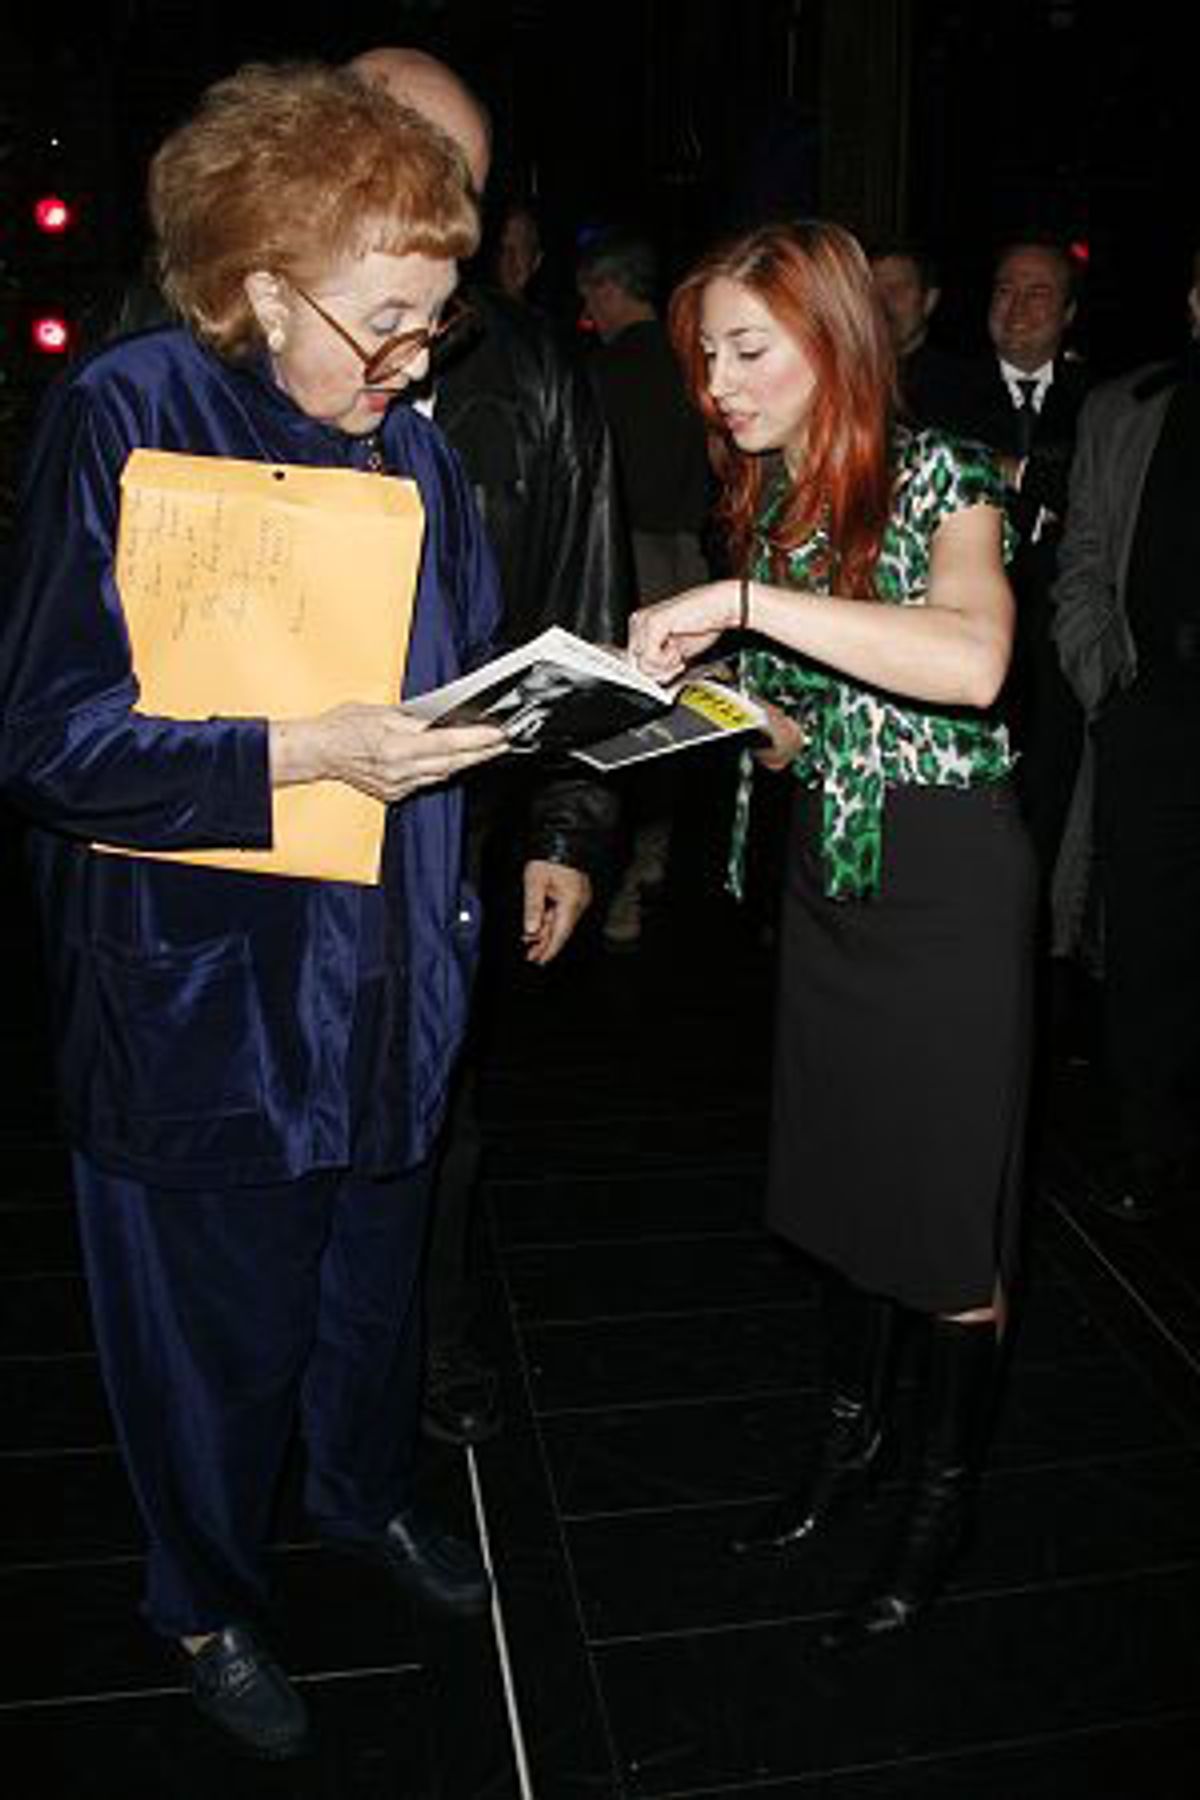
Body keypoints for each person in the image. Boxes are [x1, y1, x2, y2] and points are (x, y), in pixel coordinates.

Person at [0, 61, 531, 1761]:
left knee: (369, 1308)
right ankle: (206, 1594)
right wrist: (305, 749)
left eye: (435, 322)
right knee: (208, 1346)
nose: (416, 360)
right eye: (388, 320)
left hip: (390, 978)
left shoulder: (423, 461)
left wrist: (572, 712)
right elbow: (51, 739)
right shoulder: (130, 414)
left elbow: (455, 693)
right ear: (260, 285)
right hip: (204, 998)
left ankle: (362, 1495)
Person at [627, 219, 1036, 1647]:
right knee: (848, 1190)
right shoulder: (774, 499)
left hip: (945, 889)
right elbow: (821, 723)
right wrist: (728, 711)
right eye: (704, 357)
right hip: (832, 875)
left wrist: (740, 601)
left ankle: (940, 1504)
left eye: (747, 349)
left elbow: (973, 663)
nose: (719, 383)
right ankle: (848, 1453)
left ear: (835, 340)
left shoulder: (947, 473)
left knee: (944, 1221)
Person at [349, 47, 629, 1445]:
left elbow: (580, 607)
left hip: (453, 815)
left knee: (439, 1105)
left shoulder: (532, 372)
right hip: (263, 800)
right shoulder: (197, 339)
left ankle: (432, 1347)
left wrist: (571, 832)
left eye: (450, 170)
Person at [1049, 241, 1200, 1223]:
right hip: (1156, 715)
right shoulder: (1127, 407)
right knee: (1148, 945)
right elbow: (1085, 562)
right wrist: (1107, 681)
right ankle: (1153, 1149)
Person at [575, 226, 712, 945]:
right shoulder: (697, 357)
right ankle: (656, 864)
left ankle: (620, 882)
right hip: (691, 560)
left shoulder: (608, 371)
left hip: (634, 562)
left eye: (587, 295)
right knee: (678, 725)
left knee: (626, 727)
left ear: (605, 287)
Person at [976, 235, 1091, 884]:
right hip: (965, 625)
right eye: (1004, 290)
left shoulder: (1102, 399)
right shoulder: (945, 389)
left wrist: (1013, 472)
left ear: (1069, 312)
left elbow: (1091, 492)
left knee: (1051, 787)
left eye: (1038, 292)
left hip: (1058, 635)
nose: (1017, 308)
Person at [867, 239, 994, 439]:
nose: (884, 302)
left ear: (929, 301)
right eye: (873, 291)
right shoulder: (844, 380)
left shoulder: (964, 388)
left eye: (898, 289)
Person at [492, 197, 545, 304]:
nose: (510, 261)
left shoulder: (543, 318)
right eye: (505, 249)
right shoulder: (471, 309)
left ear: (536, 261)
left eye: (522, 249)